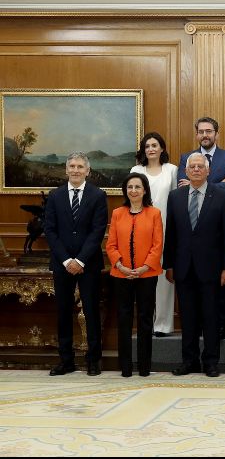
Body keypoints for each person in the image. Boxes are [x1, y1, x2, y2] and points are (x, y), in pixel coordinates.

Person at [164, 153, 225, 378]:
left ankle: (211, 362)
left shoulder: (223, 197)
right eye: (191, 166)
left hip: (213, 269)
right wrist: (169, 265)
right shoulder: (175, 197)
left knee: (211, 317)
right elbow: (172, 234)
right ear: (185, 171)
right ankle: (189, 361)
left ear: (208, 170)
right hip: (183, 267)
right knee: (188, 317)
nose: (195, 169)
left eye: (200, 166)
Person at [44, 152, 108, 377]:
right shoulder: (55, 196)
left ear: (87, 171)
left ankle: (93, 360)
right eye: (72, 166)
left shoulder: (98, 195)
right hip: (62, 263)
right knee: (63, 312)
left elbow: (98, 230)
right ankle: (66, 361)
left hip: (88, 263)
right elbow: (50, 230)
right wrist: (66, 260)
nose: (76, 170)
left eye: (80, 166)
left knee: (91, 311)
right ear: (66, 170)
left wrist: (80, 259)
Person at [178, 116, 225, 340]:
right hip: (189, 244)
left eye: (209, 131)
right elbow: (181, 187)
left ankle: (220, 329)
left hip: (217, 229)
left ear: (216, 134)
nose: (205, 135)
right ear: (196, 134)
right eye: (201, 131)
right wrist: (216, 183)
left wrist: (203, 184)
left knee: (218, 296)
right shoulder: (186, 157)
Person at [106, 173, 164, 377]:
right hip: (121, 275)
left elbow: (158, 246)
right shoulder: (117, 213)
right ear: (125, 191)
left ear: (145, 190)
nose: (133, 191)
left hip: (147, 275)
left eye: (137, 187)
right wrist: (121, 266)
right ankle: (125, 367)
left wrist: (144, 267)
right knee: (123, 318)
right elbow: (110, 244)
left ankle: (145, 366)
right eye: (130, 187)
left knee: (145, 319)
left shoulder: (154, 213)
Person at [130, 132, 178, 338]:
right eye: (147, 145)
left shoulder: (172, 170)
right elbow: (131, 196)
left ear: (162, 148)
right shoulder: (136, 170)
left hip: (167, 227)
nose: (151, 149)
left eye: (155, 145)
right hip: (141, 228)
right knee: (145, 276)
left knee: (164, 275)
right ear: (143, 149)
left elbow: (176, 199)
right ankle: (145, 323)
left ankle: (164, 325)